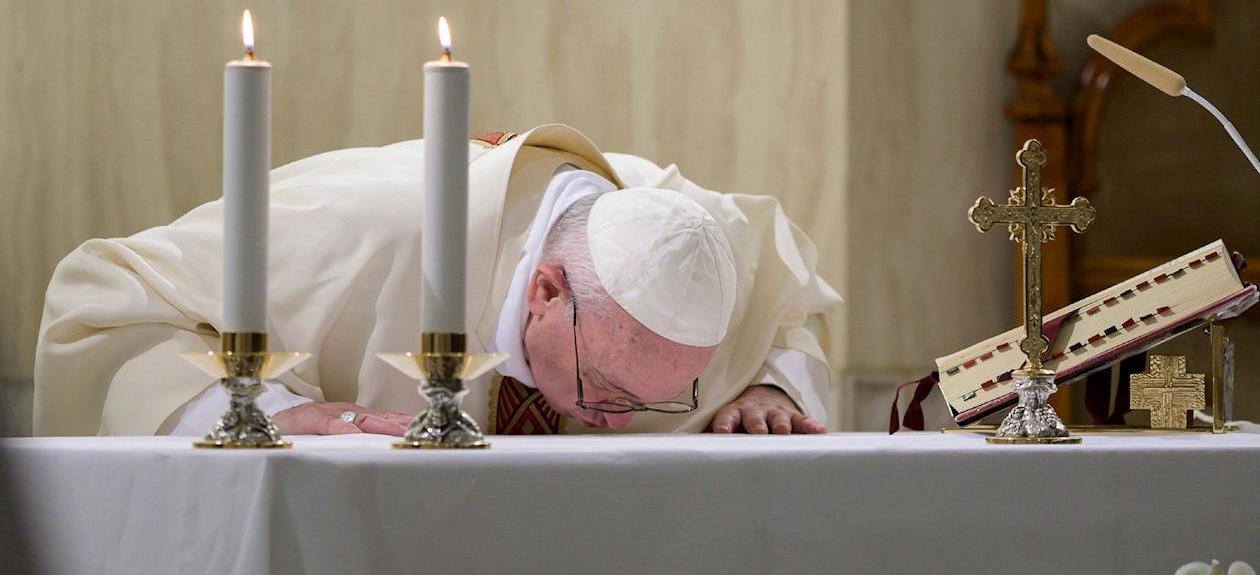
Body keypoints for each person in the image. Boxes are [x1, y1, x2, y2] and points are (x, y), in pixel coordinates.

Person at [34, 125, 841, 437]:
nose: (611, 423)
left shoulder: (703, 245)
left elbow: (789, 307)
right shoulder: (369, 224)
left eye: (653, 399)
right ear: (546, 291)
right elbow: (103, 295)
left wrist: (774, 386)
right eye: (604, 389)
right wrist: (264, 412)